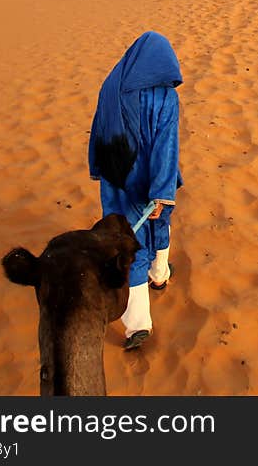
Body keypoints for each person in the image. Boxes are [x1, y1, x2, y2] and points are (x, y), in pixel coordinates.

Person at [88, 30, 183, 350]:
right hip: (150, 178)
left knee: (128, 242)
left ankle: (137, 324)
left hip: (116, 179)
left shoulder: (110, 88)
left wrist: (99, 168)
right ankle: (160, 274)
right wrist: (161, 190)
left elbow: (98, 133)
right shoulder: (166, 98)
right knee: (158, 221)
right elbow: (165, 147)